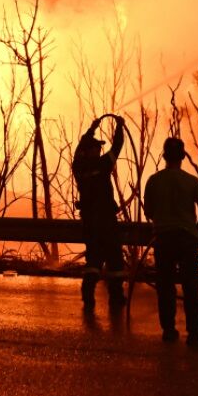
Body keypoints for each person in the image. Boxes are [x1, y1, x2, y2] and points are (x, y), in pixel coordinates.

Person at [143, 137, 198, 345]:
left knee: (165, 286)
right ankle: (194, 333)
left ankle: (169, 330)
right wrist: (195, 232)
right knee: (191, 286)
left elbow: (149, 212)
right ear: (182, 157)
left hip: (163, 240)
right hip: (187, 239)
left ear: (164, 156)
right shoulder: (192, 181)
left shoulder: (153, 181)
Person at [72, 114, 126, 311]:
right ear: (90, 150)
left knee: (93, 258)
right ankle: (117, 295)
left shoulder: (78, 166)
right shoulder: (103, 165)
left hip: (89, 220)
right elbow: (117, 146)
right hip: (106, 220)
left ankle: (88, 294)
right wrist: (119, 126)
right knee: (114, 258)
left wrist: (91, 128)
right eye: (96, 147)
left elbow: (78, 149)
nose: (99, 149)